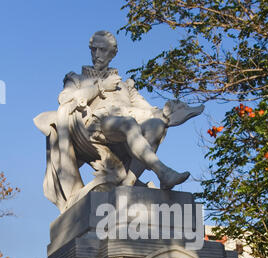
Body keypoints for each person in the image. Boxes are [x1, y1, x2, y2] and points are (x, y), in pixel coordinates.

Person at [34, 31, 203, 212]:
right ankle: (163, 172)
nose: (97, 54)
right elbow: (65, 100)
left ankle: (127, 184)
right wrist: (100, 87)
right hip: (91, 129)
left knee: (156, 125)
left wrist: (168, 113)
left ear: (113, 53)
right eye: (94, 50)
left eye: (103, 50)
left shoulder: (124, 85)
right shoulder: (77, 79)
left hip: (124, 133)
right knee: (128, 122)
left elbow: (147, 110)